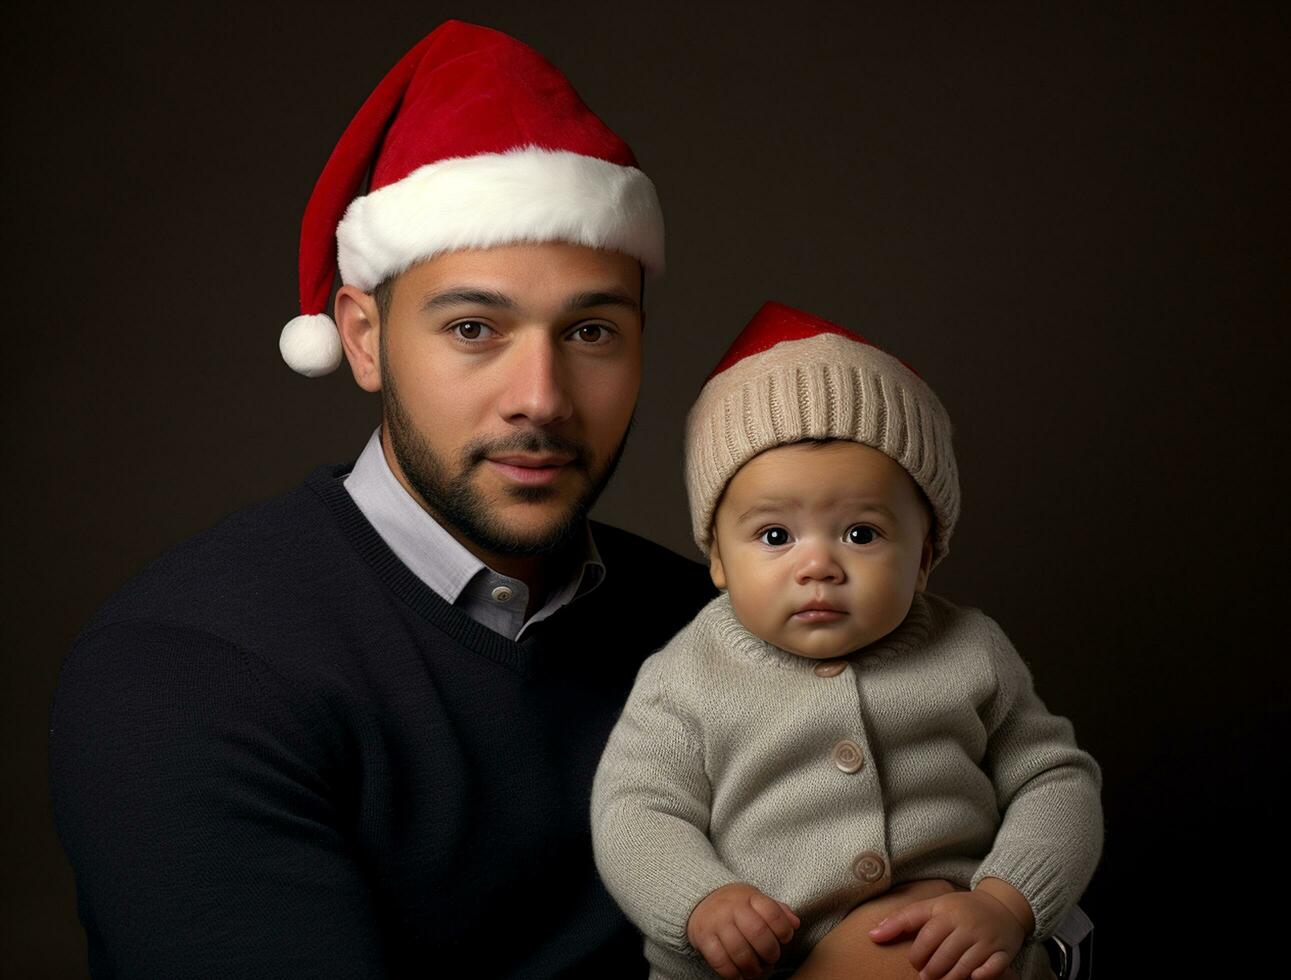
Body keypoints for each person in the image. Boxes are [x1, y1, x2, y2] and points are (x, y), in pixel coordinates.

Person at [50, 21, 712, 979]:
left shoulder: (715, 630)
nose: (542, 395)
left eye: (593, 332)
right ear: (362, 340)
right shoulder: (185, 667)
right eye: (476, 327)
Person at [591, 302, 1103, 980]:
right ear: (716, 558)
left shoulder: (970, 650)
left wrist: (1006, 903)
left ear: (924, 557)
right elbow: (636, 810)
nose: (817, 565)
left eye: (861, 533)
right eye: (774, 536)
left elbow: (1056, 783)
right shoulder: (684, 676)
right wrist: (700, 900)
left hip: (956, 952)